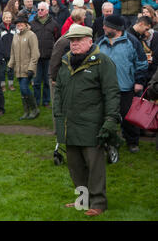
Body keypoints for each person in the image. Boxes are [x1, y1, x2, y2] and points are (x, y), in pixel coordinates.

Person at [54, 24, 120, 217]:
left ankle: (98, 202)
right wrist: (58, 114)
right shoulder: (66, 61)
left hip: (93, 124)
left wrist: (110, 119)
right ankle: (82, 200)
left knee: (94, 166)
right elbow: (58, 91)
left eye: (78, 41)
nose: (74, 44)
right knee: (75, 166)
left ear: (90, 41)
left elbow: (112, 93)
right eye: (71, 41)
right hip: (69, 123)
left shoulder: (102, 62)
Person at [97, 15, 148, 153]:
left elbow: (142, 63)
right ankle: (107, 140)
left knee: (128, 117)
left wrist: (139, 81)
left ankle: (132, 142)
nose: (103, 27)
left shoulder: (132, 42)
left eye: (106, 25)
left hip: (126, 87)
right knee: (105, 116)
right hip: (105, 88)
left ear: (115, 28)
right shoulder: (100, 42)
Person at [7, 15, 40, 120]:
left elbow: (35, 54)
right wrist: (10, 65)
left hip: (28, 69)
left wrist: (31, 68)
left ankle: (35, 109)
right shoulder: (15, 36)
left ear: (26, 24)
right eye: (17, 23)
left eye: (21, 23)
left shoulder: (31, 35)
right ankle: (26, 111)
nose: (19, 25)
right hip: (18, 69)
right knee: (22, 91)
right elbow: (12, 53)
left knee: (24, 88)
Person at [30, 2, 59, 107]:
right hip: (36, 57)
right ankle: (36, 102)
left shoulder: (54, 24)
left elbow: (57, 38)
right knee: (36, 81)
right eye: (38, 10)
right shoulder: (32, 24)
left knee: (47, 81)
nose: (40, 11)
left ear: (47, 11)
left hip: (49, 56)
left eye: (42, 10)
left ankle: (46, 101)